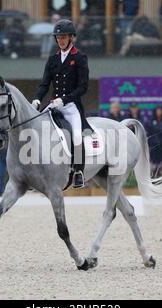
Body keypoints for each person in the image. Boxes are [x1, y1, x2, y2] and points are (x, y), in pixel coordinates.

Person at [32, 19, 93, 189]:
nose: (61, 40)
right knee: (35, 131)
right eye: (58, 37)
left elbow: (83, 87)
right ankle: (32, 172)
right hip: (54, 105)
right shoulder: (52, 59)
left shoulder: (79, 57)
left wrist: (64, 99)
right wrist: (37, 99)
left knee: (76, 136)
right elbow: (45, 84)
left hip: (71, 106)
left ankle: (79, 172)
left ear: (71, 37)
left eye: (64, 37)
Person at [147, 105, 162, 177]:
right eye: (158, 110)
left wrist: (157, 129)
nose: (159, 112)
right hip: (153, 144)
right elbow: (149, 131)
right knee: (153, 161)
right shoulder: (151, 120)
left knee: (161, 160)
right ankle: (152, 176)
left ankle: (160, 175)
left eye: (160, 110)